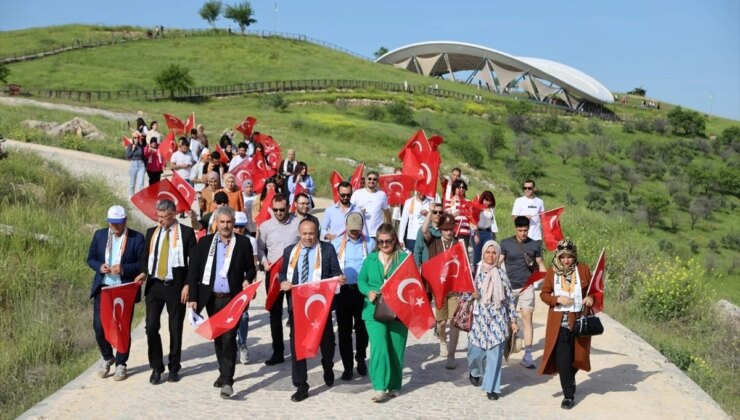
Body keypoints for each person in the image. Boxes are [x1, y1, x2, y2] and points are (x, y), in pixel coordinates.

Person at [187, 206, 257, 399]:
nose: (226, 226)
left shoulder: (242, 243)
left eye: (229, 222)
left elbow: (251, 269)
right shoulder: (205, 243)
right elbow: (194, 271)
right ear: (216, 223)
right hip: (211, 298)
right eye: (222, 222)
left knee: (229, 337)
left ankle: (227, 381)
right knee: (218, 337)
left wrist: (247, 280)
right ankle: (222, 371)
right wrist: (193, 297)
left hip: (232, 299)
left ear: (234, 224)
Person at [279, 218, 343, 402]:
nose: (308, 237)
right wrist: (283, 281)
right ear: (299, 233)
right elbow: (283, 273)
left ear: (317, 233)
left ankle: (328, 364)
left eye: (311, 233)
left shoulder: (327, 249)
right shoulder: (290, 251)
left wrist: (338, 279)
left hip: (319, 306)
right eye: (304, 233)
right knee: (297, 345)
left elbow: (334, 272)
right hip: (297, 306)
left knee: (327, 342)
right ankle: (301, 385)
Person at [135, 199, 197, 385]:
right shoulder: (152, 233)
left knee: (175, 328)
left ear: (173, 215)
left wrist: (188, 285)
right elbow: (146, 257)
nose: (160, 221)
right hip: (155, 285)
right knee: (151, 327)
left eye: (163, 217)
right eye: (158, 217)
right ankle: (156, 367)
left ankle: (174, 367)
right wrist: (143, 272)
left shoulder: (186, 234)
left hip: (175, 286)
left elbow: (193, 264)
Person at [86, 206, 145, 381]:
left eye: (118, 224)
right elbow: (90, 258)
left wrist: (124, 269)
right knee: (99, 327)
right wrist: (99, 266)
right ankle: (107, 357)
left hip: (124, 289)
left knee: (122, 327)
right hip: (104, 288)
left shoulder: (137, 238)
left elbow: (143, 264)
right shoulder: (99, 235)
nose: (115, 227)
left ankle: (121, 364)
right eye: (112, 224)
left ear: (125, 220)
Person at [539, 239, 596, 409]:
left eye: (569, 257)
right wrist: (557, 299)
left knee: (578, 358)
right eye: (563, 257)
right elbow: (544, 294)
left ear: (574, 256)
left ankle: (569, 380)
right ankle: (568, 395)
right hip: (560, 324)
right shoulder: (552, 272)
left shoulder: (583, 269)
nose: (566, 260)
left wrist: (590, 298)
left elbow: (594, 290)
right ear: (558, 256)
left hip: (579, 323)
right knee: (563, 360)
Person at [357, 223, 409, 402]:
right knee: (379, 347)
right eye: (380, 242)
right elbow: (361, 281)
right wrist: (368, 292)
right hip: (373, 310)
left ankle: (394, 385)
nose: (384, 245)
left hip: (399, 310)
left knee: (396, 349)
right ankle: (379, 387)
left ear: (394, 240)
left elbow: (412, 283)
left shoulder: (404, 259)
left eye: (388, 241)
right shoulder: (370, 260)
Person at [463, 240, 518, 400]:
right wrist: (470, 295)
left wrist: (513, 320)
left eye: (494, 253)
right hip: (478, 321)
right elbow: (463, 294)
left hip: (497, 321)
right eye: (488, 252)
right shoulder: (475, 272)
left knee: (495, 356)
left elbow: (508, 299)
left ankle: (492, 388)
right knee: (475, 354)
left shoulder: (501, 275)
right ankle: (475, 371)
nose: (491, 256)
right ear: (483, 253)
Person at [257, 193, 300, 365]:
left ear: (289, 207)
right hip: (273, 274)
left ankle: (297, 349)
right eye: (275, 210)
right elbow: (259, 248)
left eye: (282, 209)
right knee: (274, 314)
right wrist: (264, 261)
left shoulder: (298, 223)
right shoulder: (266, 226)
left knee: (293, 312)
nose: (279, 213)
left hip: (293, 275)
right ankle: (278, 351)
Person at [332, 212, 375, 381]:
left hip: (363, 291)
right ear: (346, 226)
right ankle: (347, 366)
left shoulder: (370, 243)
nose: (354, 232)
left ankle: (361, 357)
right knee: (344, 331)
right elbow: (330, 267)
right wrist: (336, 277)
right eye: (351, 229)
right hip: (343, 291)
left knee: (363, 329)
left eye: (357, 229)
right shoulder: (336, 244)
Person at [499, 216, 546, 369]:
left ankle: (528, 355)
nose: (523, 233)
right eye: (520, 230)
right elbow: (498, 262)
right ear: (515, 229)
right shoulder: (506, 243)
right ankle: (503, 349)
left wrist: (544, 280)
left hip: (527, 286)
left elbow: (540, 264)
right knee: (506, 320)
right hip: (508, 287)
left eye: (525, 230)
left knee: (527, 317)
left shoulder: (535, 244)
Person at [423, 213, 461, 368]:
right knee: (441, 322)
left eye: (451, 229)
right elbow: (424, 230)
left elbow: (464, 266)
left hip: (454, 288)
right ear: (440, 230)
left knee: (454, 321)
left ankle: (451, 356)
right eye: (445, 229)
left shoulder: (458, 243)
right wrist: (431, 213)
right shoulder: (434, 242)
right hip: (439, 288)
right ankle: (442, 340)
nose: (448, 232)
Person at [234, 211, 260, 364]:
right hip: (228, 285)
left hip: (244, 284)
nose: (238, 229)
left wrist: (253, 285)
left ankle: (242, 344)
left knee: (243, 316)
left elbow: (254, 265)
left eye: (241, 227)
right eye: (236, 226)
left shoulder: (250, 241)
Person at [350, 170, 390, 238]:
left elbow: (387, 212)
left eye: (374, 179)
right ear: (366, 180)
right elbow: (349, 210)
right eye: (369, 179)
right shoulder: (357, 193)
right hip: (360, 231)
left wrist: (389, 228)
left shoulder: (382, 194)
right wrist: (359, 211)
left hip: (376, 233)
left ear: (377, 182)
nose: (372, 181)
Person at [445, 179, 473, 252]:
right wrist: (457, 213)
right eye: (459, 187)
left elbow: (472, 219)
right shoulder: (450, 201)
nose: (461, 189)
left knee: (464, 255)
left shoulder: (468, 202)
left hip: (465, 233)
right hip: (453, 232)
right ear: (454, 189)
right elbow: (448, 218)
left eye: (463, 187)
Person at [473, 191, 498, 269]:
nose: (488, 202)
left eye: (489, 200)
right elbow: (474, 221)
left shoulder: (492, 209)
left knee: (487, 253)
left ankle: (486, 272)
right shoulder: (478, 207)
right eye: (486, 200)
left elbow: (493, 222)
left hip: (488, 233)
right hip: (478, 232)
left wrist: (494, 235)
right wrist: (476, 233)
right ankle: (475, 273)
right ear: (482, 199)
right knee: (477, 254)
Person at [413, 202, 443, 267]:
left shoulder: (446, 231)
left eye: (440, 213)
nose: (438, 214)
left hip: (441, 268)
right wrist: (418, 267)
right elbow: (417, 251)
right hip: (427, 268)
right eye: (435, 212)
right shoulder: (423, 230)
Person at [126, 132, 146, 197]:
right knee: (132, 182)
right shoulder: (130, 145)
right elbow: (128, 156)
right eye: (135, 137)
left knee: (141, 183)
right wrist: (133, 150)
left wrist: (145, 165)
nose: (136, 139)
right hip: (133, 164)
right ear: (133, 138)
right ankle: (131, 195)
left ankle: (140, 197)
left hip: (141, 165)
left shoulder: (141, 146)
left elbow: (143, 156)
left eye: (138, 137)